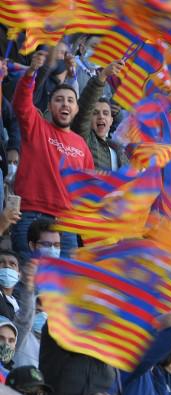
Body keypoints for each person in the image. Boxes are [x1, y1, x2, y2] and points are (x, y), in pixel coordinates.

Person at [10, 49, 93, 260]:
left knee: (62, 291)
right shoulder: (36, 125)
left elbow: (87, 189)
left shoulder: (81, 144)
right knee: (30, 284)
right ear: (49, 106)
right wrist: (31, 74)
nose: (65, 104)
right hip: (31, 216)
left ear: (75, 110)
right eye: (59, 99)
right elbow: (21, 103)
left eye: (70, 101)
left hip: (66, 226)